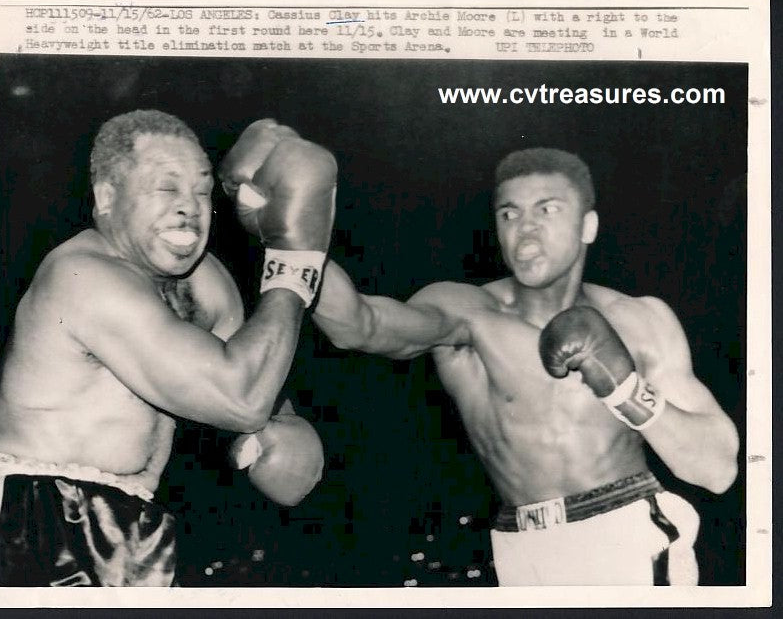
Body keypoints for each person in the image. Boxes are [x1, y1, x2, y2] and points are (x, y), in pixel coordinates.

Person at [312, 147, 739, 585]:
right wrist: (298, 242)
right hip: (517, 544)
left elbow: (717, 469)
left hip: (625, 533)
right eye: (509, 215)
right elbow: (358, 326)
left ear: (587, 225)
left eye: (547, 210)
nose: (526, 229)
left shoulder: (641, 320)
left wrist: (626, 391)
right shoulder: (468, 313)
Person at [0, 111, 334, 586]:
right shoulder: (83, 277)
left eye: (200, 190)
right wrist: (295, 260)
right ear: (106, 198)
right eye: (166, 188)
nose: (189, 207)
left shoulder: (206, 282)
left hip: (134, 520)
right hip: (43, 516)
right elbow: (239, 399)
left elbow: (261, 403)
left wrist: (281, 434)